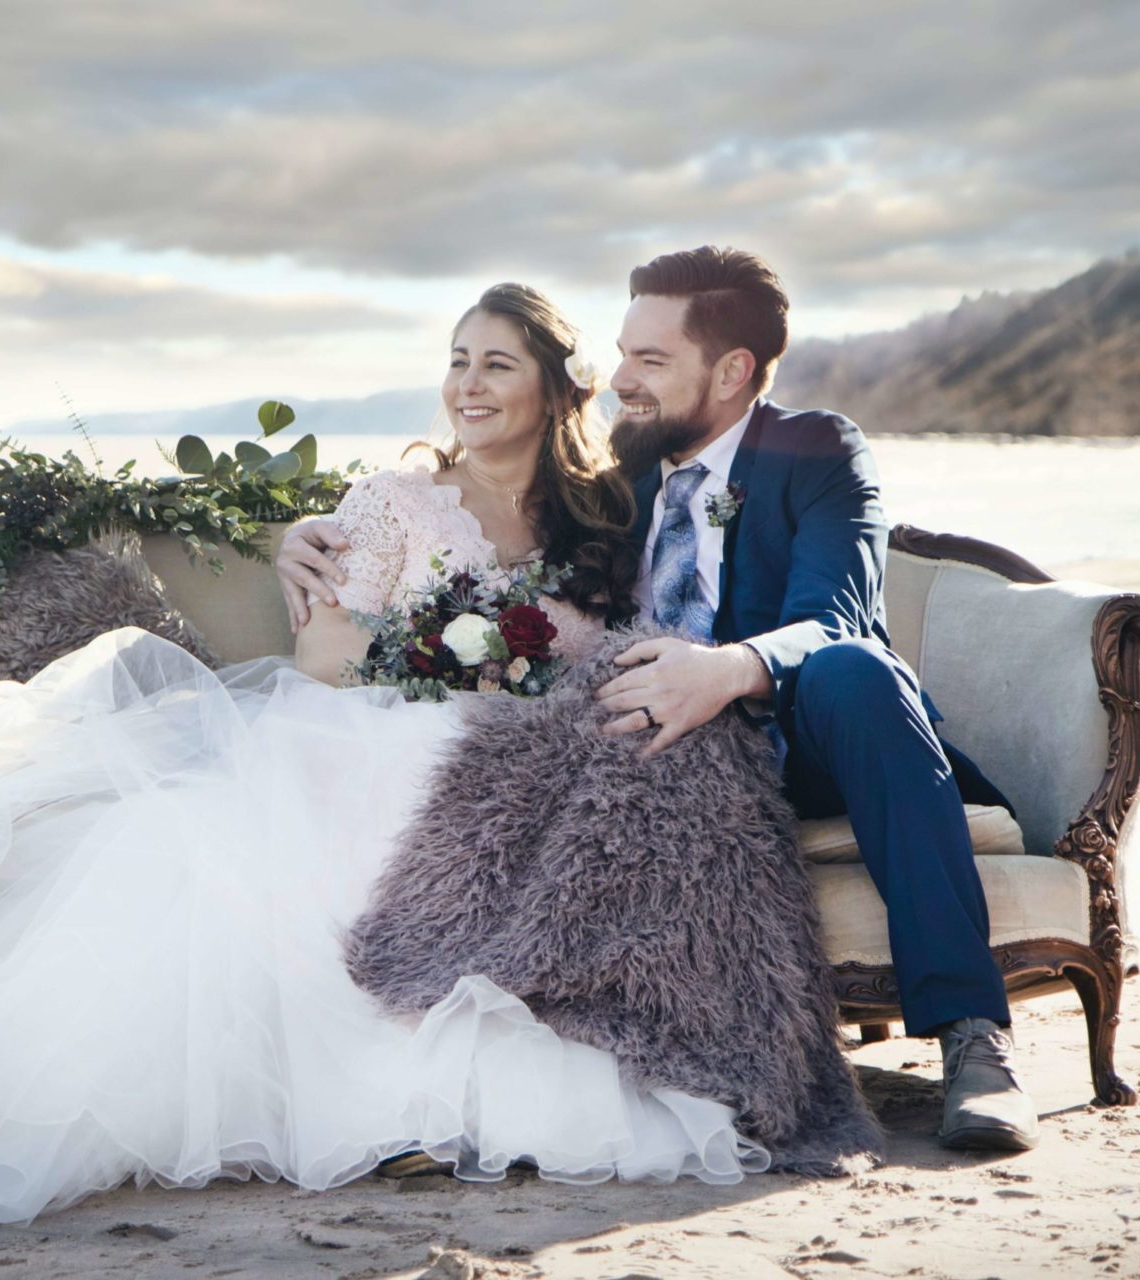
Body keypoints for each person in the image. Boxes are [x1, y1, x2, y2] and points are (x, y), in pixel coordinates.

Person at [0, 284, 773, 1234]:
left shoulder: (605, 512)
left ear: (551, 386)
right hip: (381, 717)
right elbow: (329, 657)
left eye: (497, 363)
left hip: (532, 746)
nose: (468, 383)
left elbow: (637, 639)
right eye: (455, 361)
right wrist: (448, 667)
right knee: (387, 771)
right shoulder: (393, 504)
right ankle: (376, 1098)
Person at [279, 248, 1039, 1153]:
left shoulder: (817, 450)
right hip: (652, 753)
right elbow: (488, 530)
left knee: (856, 670)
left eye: (650, 360)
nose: (621, 380)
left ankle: (974, 1040)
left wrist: (727, 671)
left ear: (731, 371)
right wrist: (306, 533)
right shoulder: (610, 480)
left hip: (804, 736)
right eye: (622, 353)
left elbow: (835, 618)